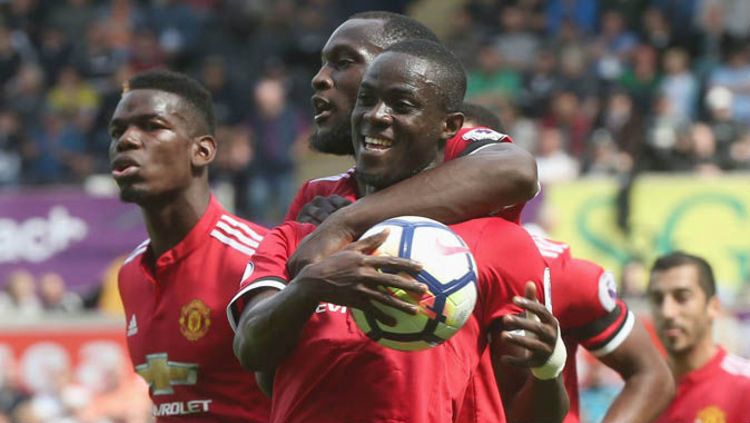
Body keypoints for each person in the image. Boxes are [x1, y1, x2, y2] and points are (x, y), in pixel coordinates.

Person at [230, 39, 568, 423]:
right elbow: (255, 358)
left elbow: (533, 413)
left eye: (400, 105)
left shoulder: (496, 242)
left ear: (450, 127)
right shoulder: (296, 234)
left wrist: (548, 369)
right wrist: (309, 287)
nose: (376, 115)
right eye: (366, 100)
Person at [455, 103, 674, 423]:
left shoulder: (557, 272)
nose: (458, 175)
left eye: (471, 160)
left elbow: (652, 376)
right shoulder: (394, 255)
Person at [285, 11, 538, 275]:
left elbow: (516, 171)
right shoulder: (317, 195)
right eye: (324, 63)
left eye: (343, 62)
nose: (320, 78)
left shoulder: (457, 150)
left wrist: (345, 222)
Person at [109, 69, 270, 422]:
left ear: (202, 151)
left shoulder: (257, 258)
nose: (126, 141)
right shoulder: (130, 274)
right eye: (117, 131)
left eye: (151, 126)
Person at [648, 252, 750, 422]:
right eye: (657, 300)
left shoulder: (744, 386)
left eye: (682, 297)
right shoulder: (642, 392)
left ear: (713, 307)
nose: (667, 312)